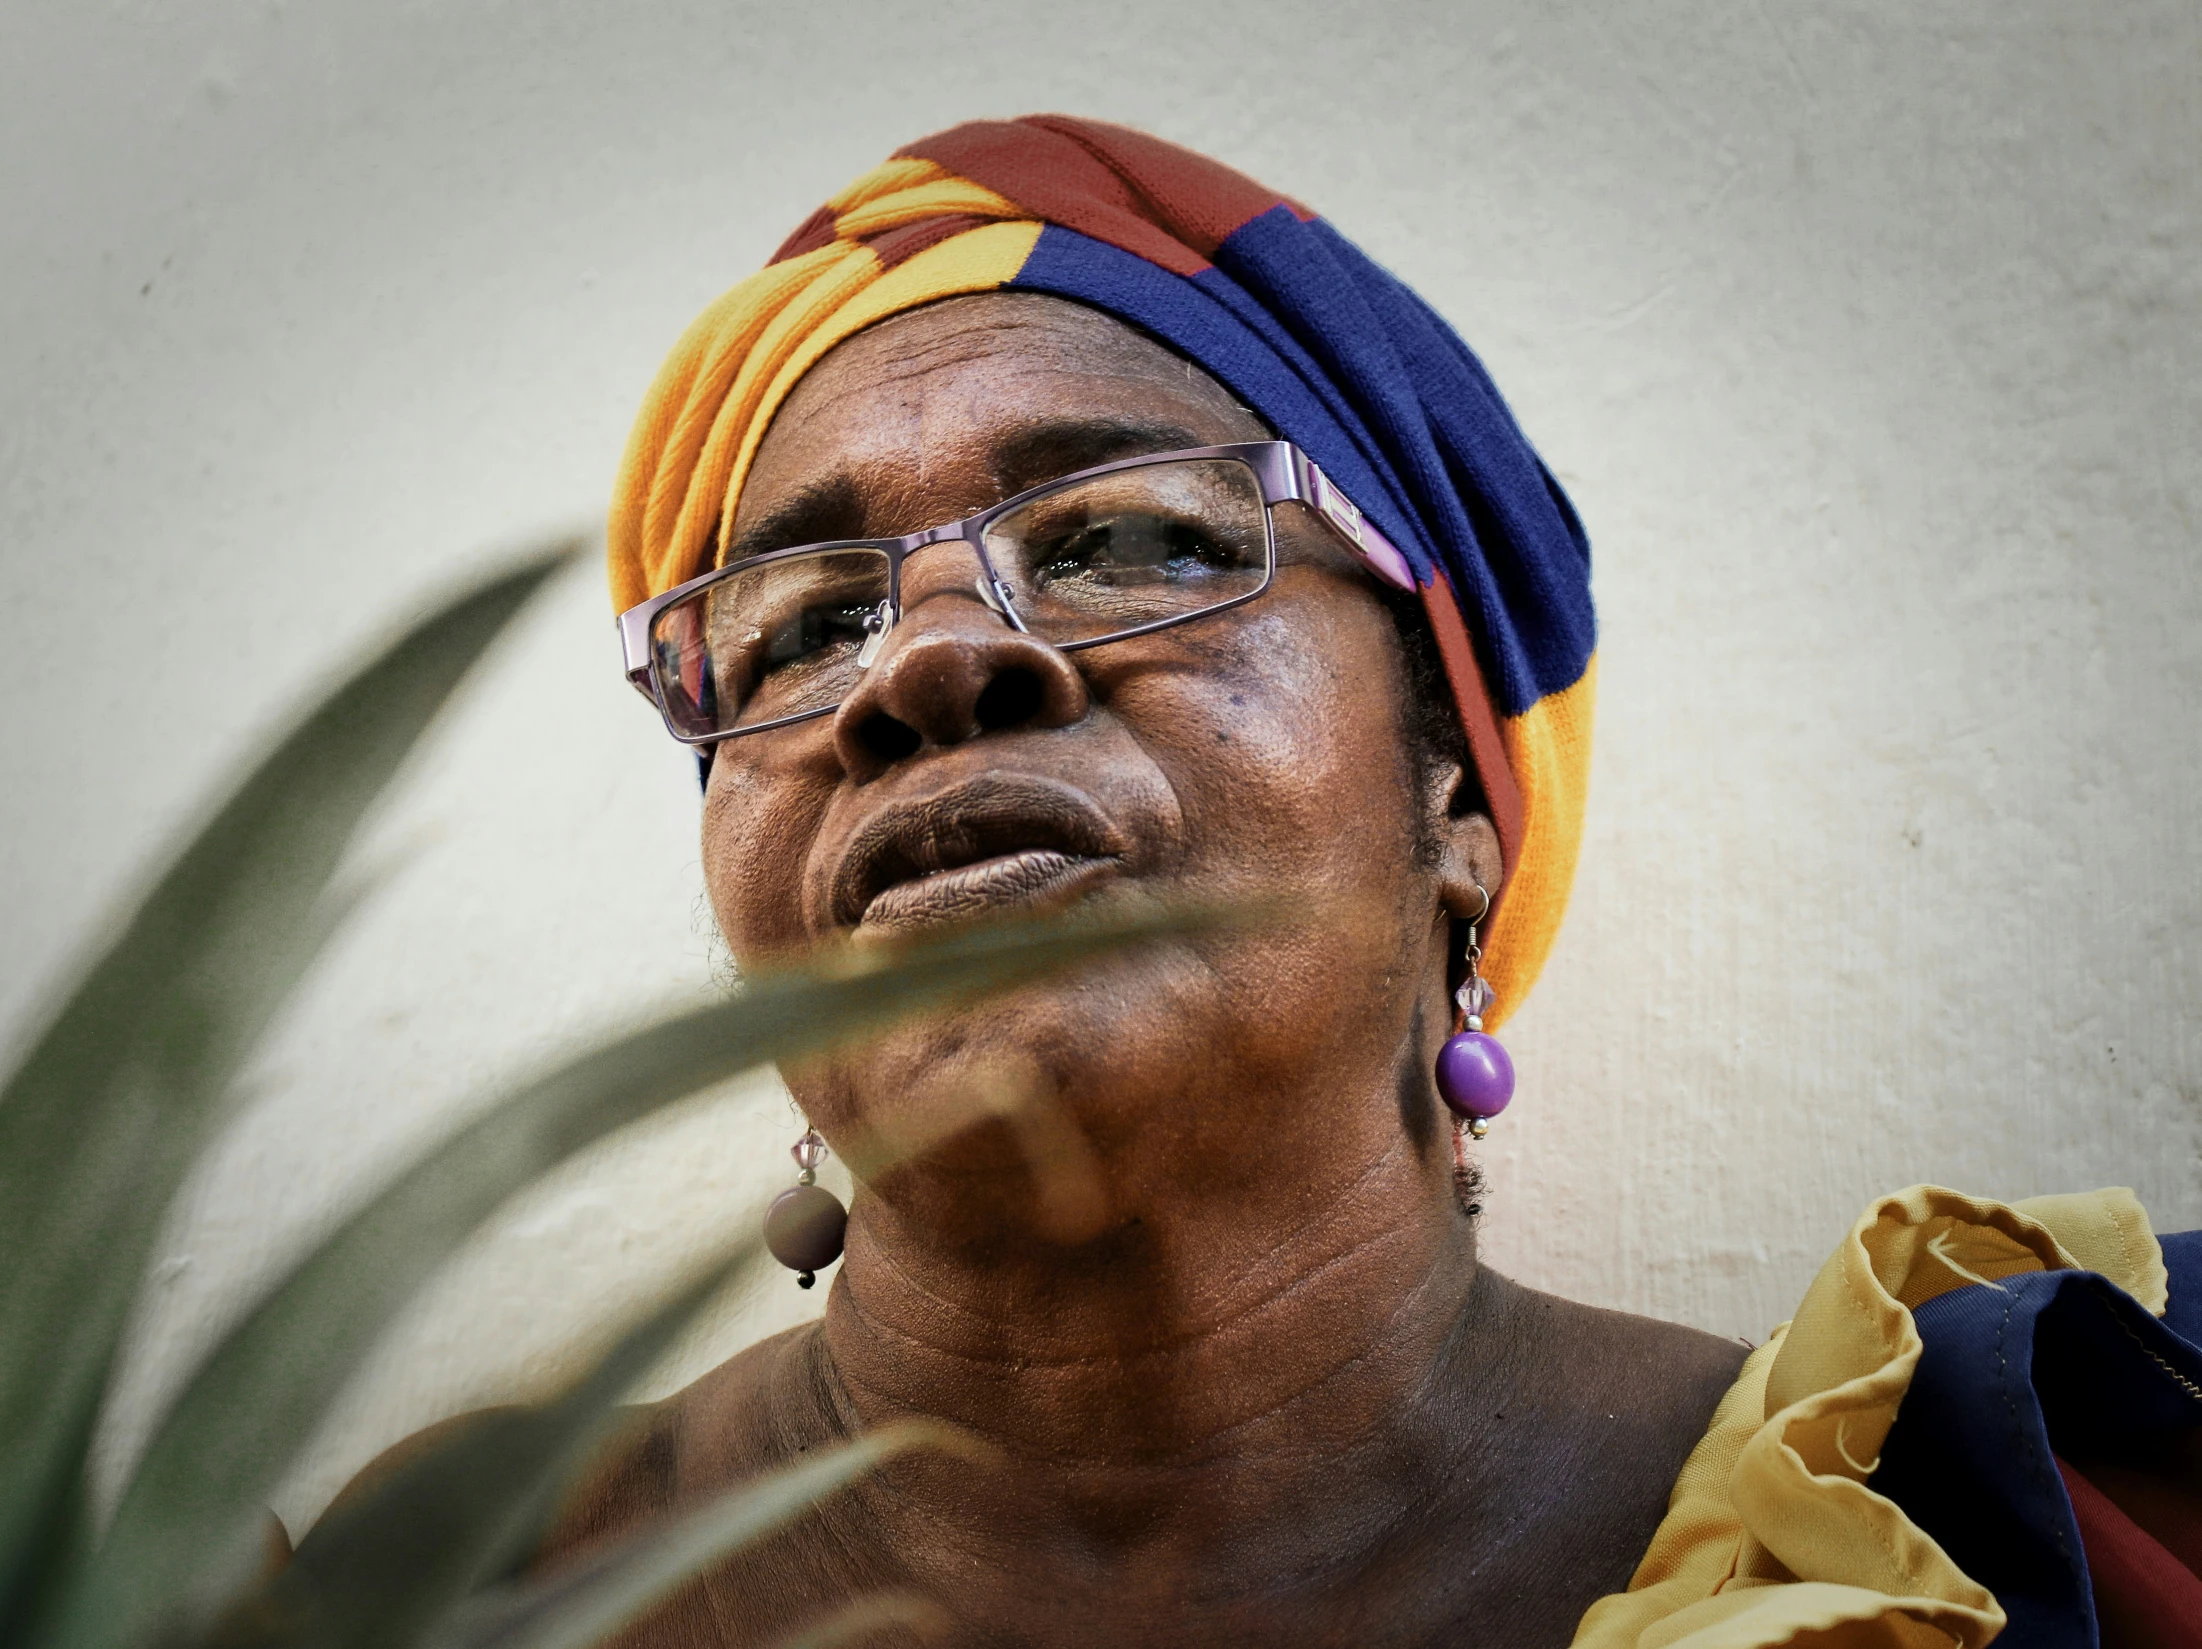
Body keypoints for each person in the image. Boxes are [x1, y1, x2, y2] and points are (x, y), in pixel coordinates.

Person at [558, 118, 2202, 1646]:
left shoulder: (1971, 1533)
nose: (915, 666)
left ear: (1460, 801)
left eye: (1127, 539)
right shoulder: (480, 1581)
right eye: (802, 625)